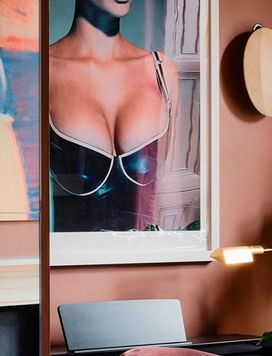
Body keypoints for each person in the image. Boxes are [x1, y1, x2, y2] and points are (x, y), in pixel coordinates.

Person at [49, 0, 179, 231]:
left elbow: (159, 193)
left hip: (141, 260)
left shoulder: (161, 70)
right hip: (68, 261)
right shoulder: (41, 70)